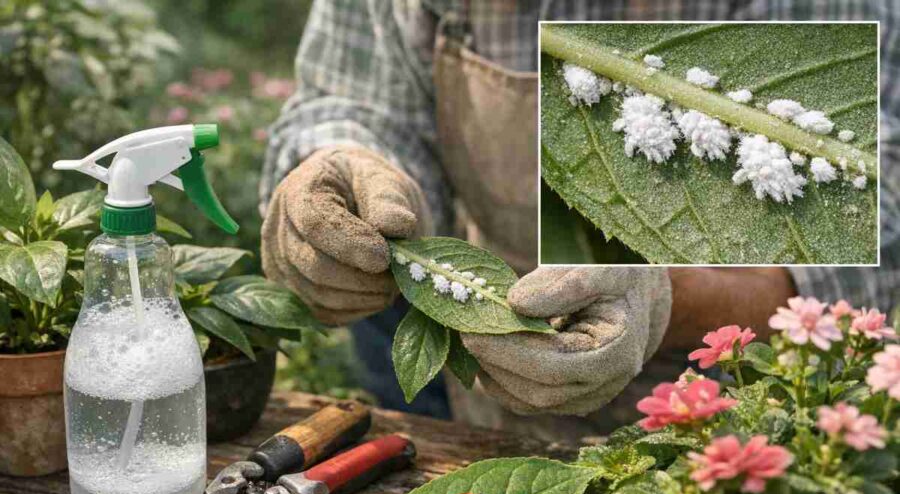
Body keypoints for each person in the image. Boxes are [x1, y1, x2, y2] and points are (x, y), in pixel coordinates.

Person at [259, 0, 899, 440]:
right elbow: (357, 96)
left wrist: (668, 300)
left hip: (735, 413)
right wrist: (344, 162)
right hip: (482, 381)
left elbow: (870, 223)